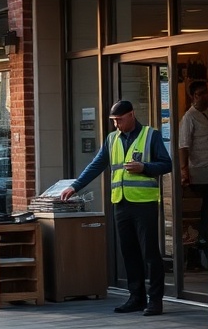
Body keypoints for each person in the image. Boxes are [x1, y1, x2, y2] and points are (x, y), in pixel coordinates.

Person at [59, 100, 173, 316]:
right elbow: (96, 165)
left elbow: (166, 164)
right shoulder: (112, 139)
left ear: (132, 115)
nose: (116, 125)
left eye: (119, 120)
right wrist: (75, 186)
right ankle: (136, 297)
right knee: (129, 253)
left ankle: (155, 300)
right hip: (120, 203)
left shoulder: (151, 135)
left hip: (144, 203)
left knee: (149, 253)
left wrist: (145, 167)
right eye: (113, 121)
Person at [178, 81, 208, 270]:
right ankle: (204, 244)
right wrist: (185, 171)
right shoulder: (189, 118)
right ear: (193, 96)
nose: (204, 96)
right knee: (207, 206)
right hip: (200, 170)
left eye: (206, 92)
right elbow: (184, 145)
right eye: (200, 94)